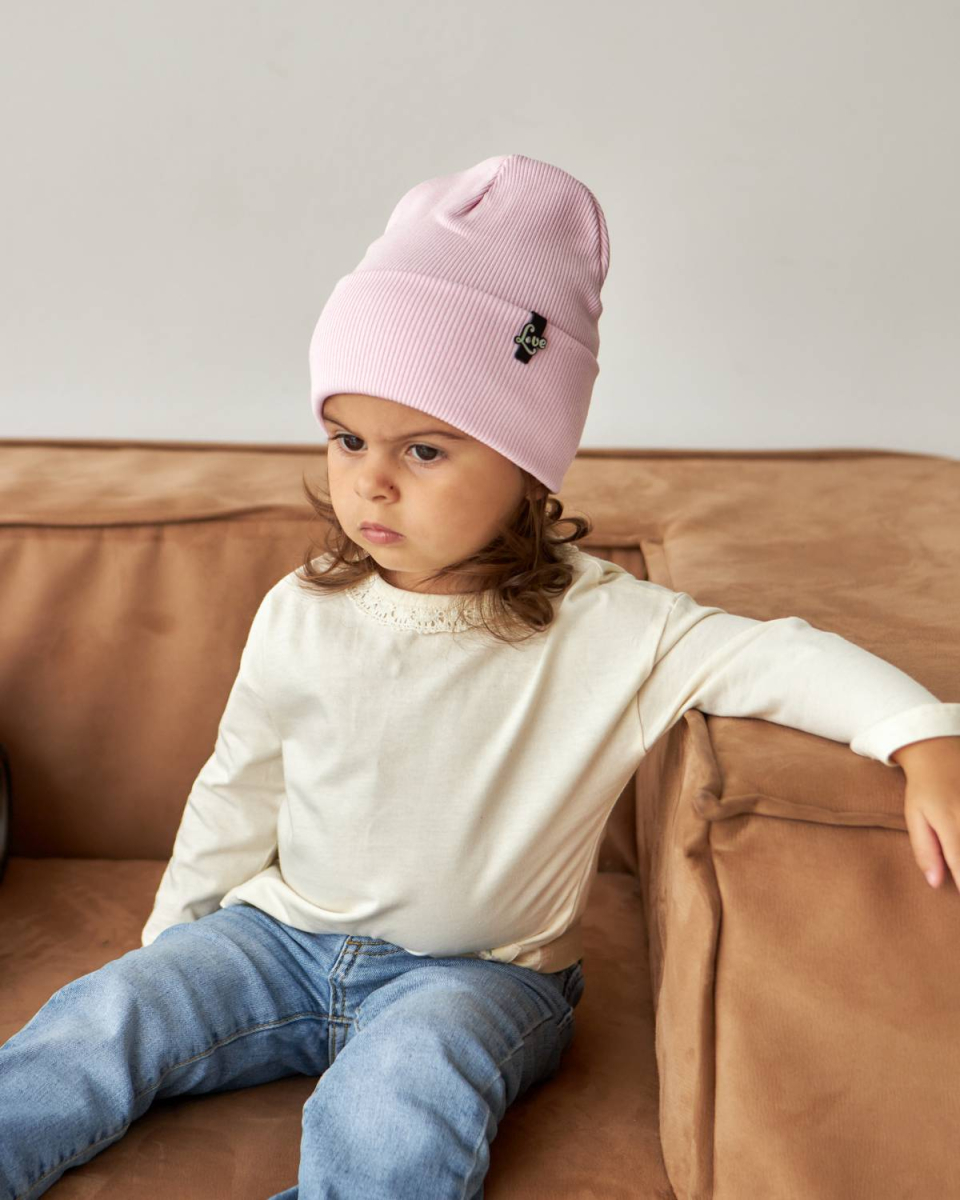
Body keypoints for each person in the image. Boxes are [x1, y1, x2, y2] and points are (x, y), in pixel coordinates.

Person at [2, 153, 959, 1200]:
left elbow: (774, 656)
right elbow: (240, 784)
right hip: (277, 939)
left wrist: (920, 735)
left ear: (525, 465)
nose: (371, 482)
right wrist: (171, 947)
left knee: (401, 1095)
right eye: (347, 439)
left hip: (478, 979)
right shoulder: (303, 611)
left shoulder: (612, 629)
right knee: (105, 1016)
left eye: (424, 451)